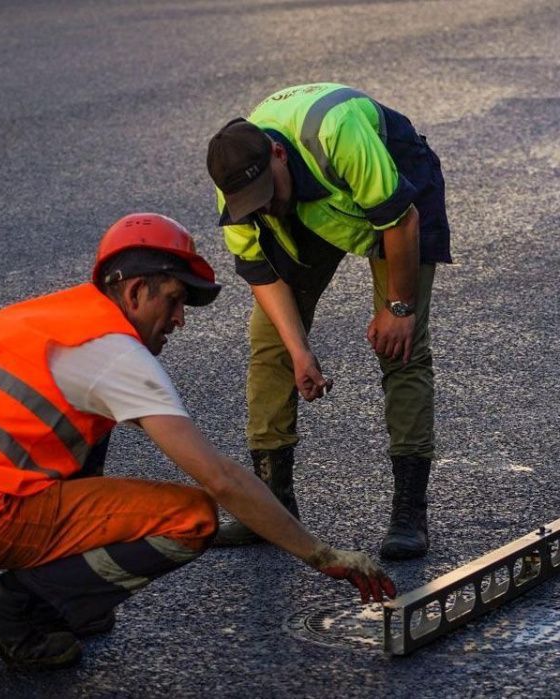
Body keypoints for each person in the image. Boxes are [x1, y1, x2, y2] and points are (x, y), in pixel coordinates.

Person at [0, 213, 395, 671]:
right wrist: (320, 554)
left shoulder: (44, 317)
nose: (179, 319)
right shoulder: (113, 352)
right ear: (134, 292)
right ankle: (13, 606)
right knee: (190, 517)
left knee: (96, 431)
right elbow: (219, 479)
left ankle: (52, 597)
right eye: (174, 300)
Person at [206, 83, 452, 560]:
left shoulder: (337, 133)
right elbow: (262, 274)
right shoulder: (236, 185)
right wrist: (299, 352)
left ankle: (408, 512)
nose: (265, 208)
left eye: (267, 194)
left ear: (278, 153)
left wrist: (398, 309)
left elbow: (400, 221)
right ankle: (271, 503)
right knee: (270, 342)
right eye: (252, 204)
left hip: (397, 198)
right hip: (315, 205)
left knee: (402, 348)